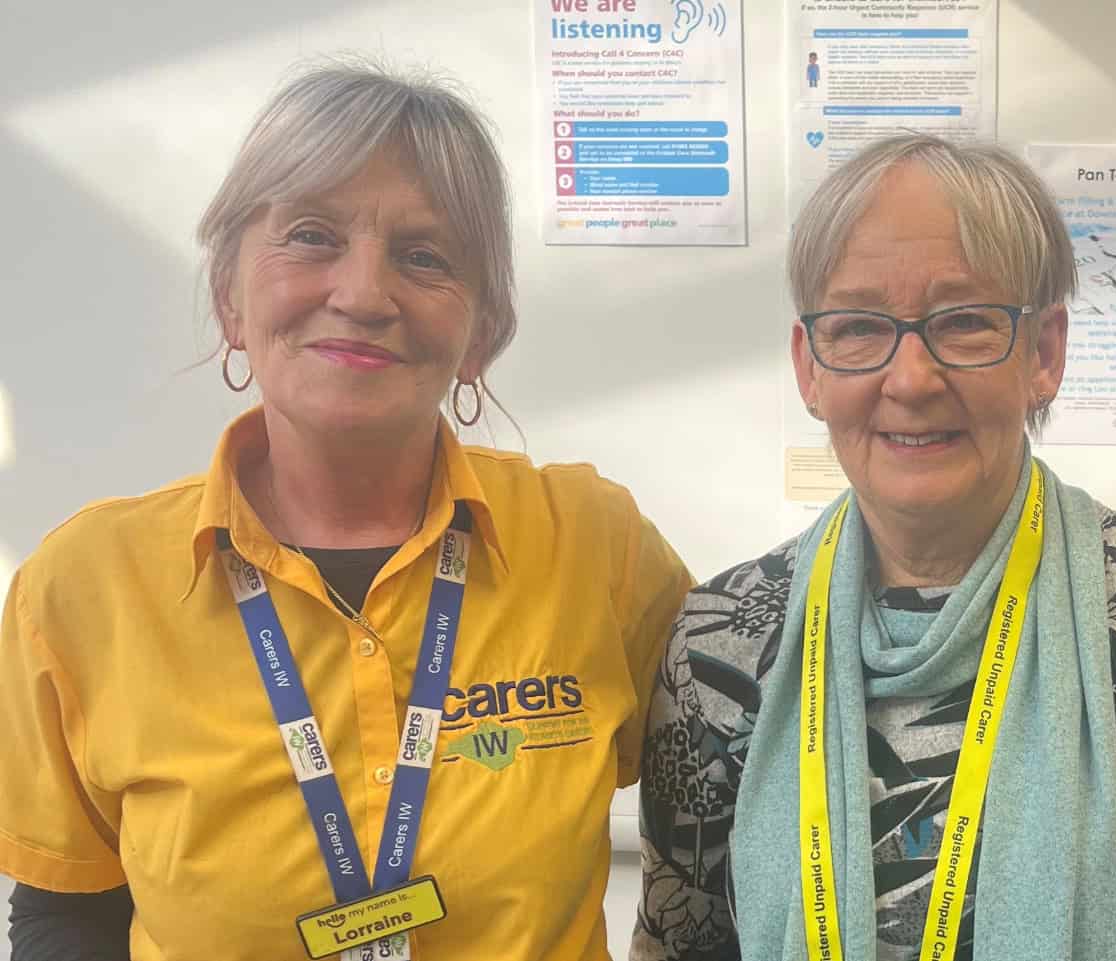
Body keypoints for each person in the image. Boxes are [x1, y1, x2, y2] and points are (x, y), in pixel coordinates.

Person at [0, 61, 693, 961]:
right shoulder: (84, 586)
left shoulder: (596, 547)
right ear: (229, 299)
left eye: (425, 256)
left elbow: (724, 822)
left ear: (480, 331)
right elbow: (67, 915)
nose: (365, 295)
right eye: (313, 236)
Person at [629, 134, 1116, 961]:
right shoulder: (721, 638)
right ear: (811, 369)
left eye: (963, 322)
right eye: (857, 327)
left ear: (1045, 353)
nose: (912, 378)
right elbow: (678, 945)